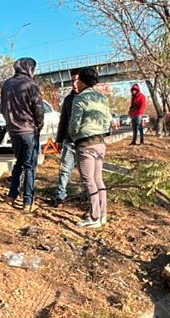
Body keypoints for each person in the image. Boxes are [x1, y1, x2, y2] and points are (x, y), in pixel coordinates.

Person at [1, 57, 44, 212]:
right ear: (29, 68)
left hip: (13, 131)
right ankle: (28, 201)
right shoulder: (31, 85)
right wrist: (39, 125)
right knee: (30, 166)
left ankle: (12, 195)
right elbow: (38, 109)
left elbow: (2, 107)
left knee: (18, 162)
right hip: (29, 131)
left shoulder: (6, 84)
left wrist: (10, 123)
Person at [68, 67, 110, 228]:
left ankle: (94, 217)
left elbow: (74, 123)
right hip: (100, 142)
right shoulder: (102, 98)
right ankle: (102, 214)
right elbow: (107, 122)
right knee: (98, 179)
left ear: (82, 81)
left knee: (88, 181)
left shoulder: (80, 99)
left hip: (85, 143)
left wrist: (73, 135)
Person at [53, 69, 80, 208]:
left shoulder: (89, 98)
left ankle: (89, 197)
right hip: (69, 141)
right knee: (65, 170)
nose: (74, 84)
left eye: (77, 80)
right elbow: (63, 121)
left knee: (86, 173)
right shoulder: (68, 99)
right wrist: (59, 140)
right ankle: (60, 198)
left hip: (84, 142)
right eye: (72, 80)